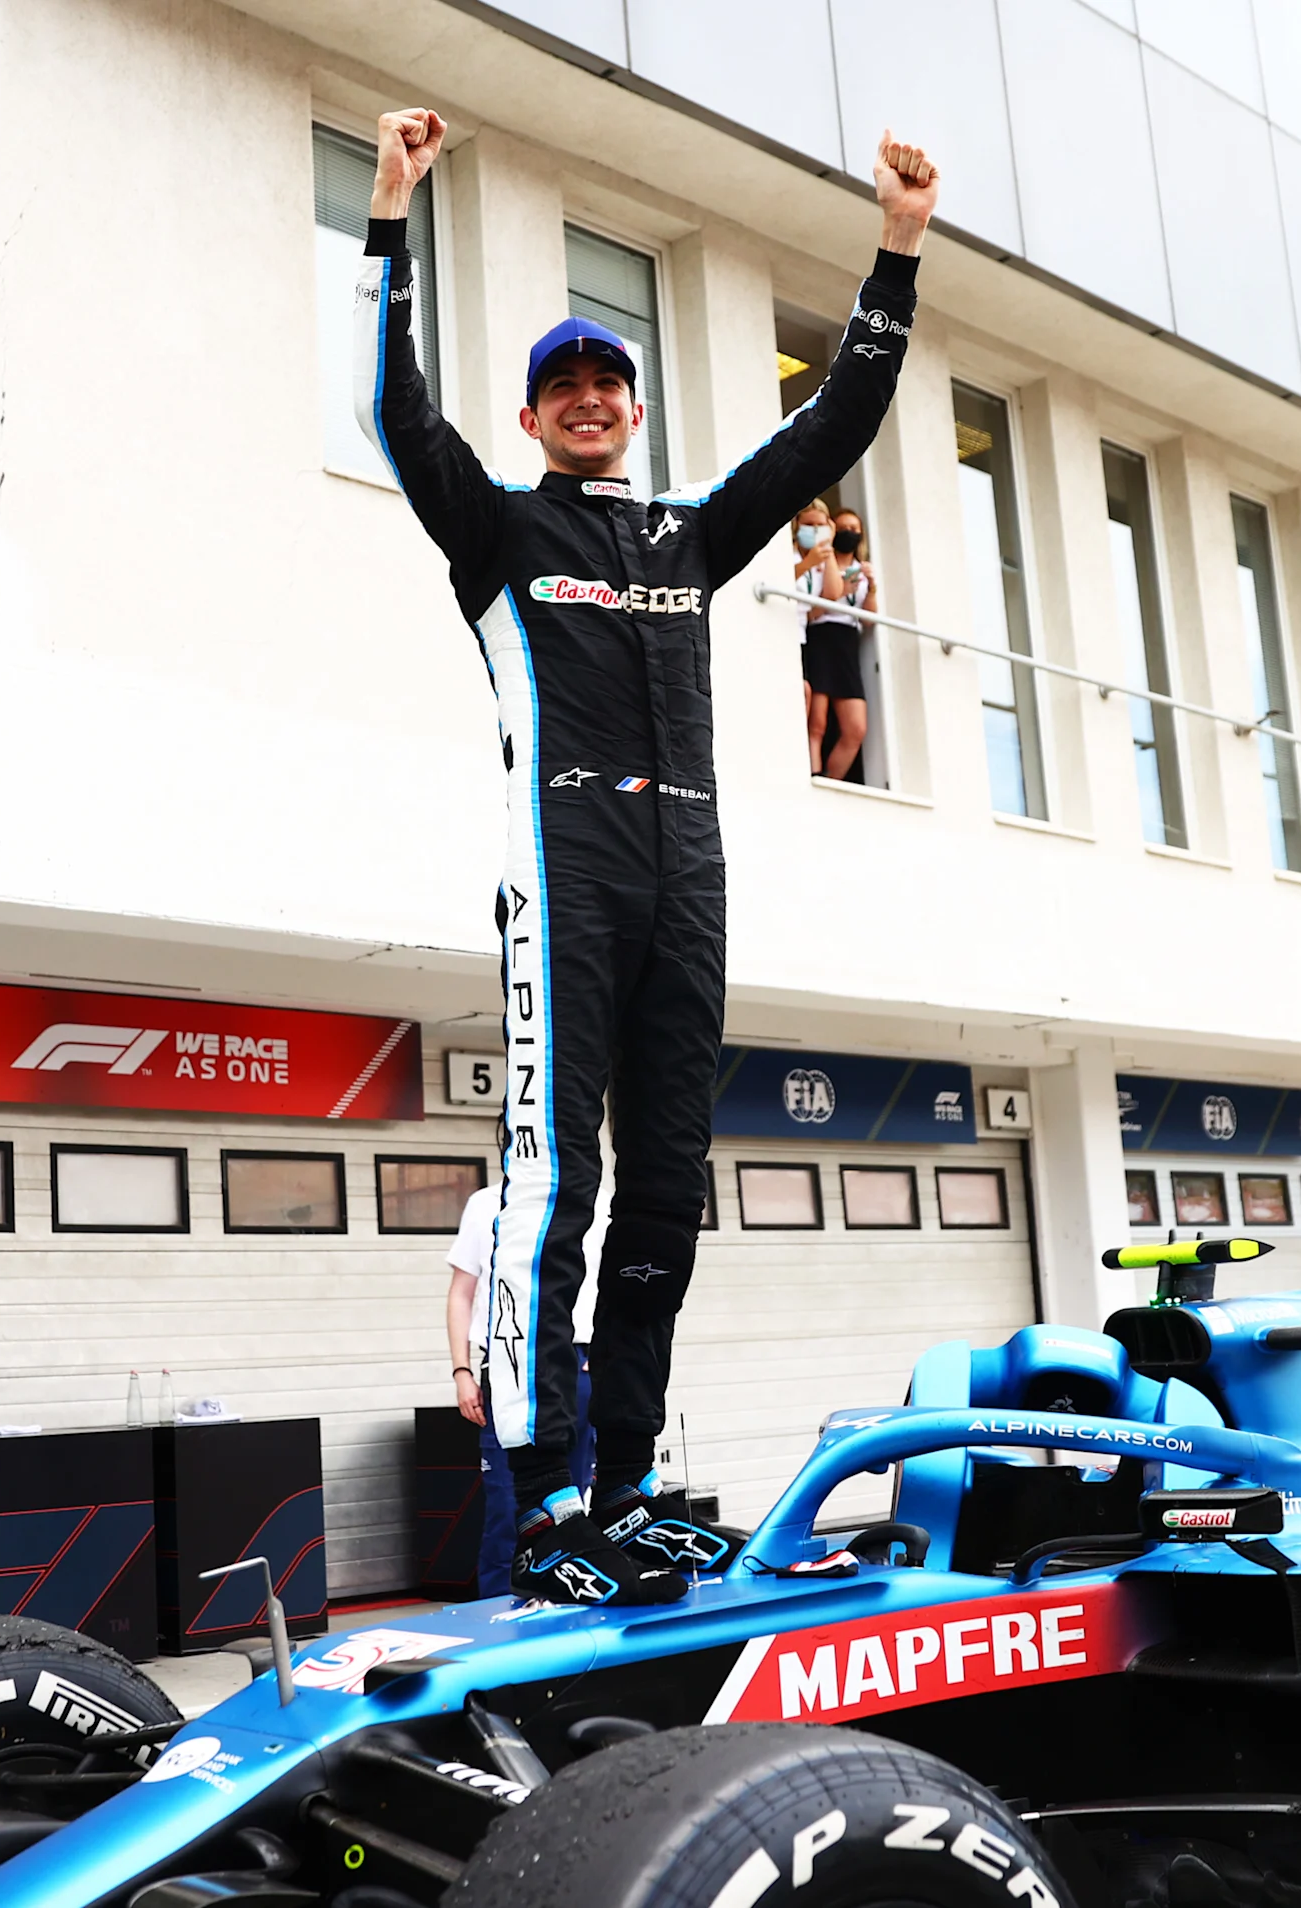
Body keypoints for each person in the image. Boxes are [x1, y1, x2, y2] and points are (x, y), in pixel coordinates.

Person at [355, 105, 936, 1605]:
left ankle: (622, 1477)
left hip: (694, 873)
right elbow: (396, 416)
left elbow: (833, 431)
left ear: (631, 406)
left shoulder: (688, 542)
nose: (591, 400)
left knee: (673, 1182)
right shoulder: (495, 532)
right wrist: (389, 216)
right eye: (565, 387)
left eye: (609, 380)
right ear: (538, 416)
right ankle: (542, 1496)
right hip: (567, 865)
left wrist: (897, 251)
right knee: (561, 1182)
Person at [442, 1183, 603, 1598]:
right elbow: (462, 1293)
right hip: (507, 1358)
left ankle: (563, 1606)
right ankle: (498, 1619)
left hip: (576, 1359)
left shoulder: (589, 1198)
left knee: (570, 1501)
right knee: (506, 1507)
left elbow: (607, 1286)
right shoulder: (484, 1203)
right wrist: (462, 1370)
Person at [793, 502, 876, 783]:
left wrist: (870, 588)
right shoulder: (804, 561)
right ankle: (813, 775)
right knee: (817, 721)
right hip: (816, 635)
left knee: (855, 727)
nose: (849, 533)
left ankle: (833, 781)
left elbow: (865, 615)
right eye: (842, 529)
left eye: (854, 529)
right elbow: (817, 605)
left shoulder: (855, 567)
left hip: (845, 640)